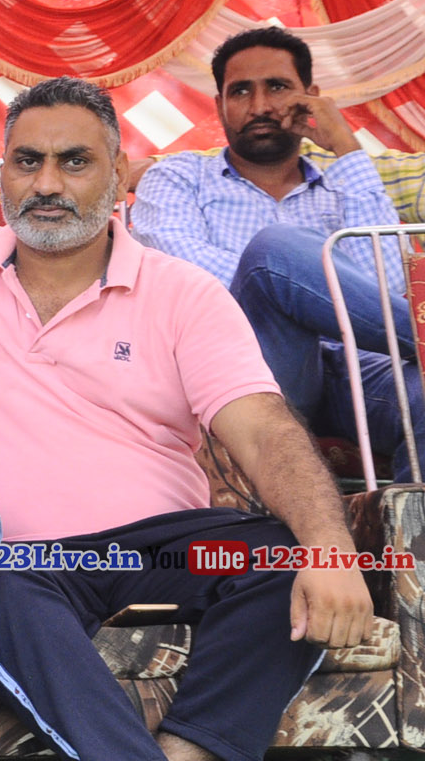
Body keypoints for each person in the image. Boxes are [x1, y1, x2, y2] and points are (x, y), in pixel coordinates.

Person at [0, 76, 374, 761]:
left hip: (158, 544)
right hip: (20, 560)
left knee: (285, 556)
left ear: (119, 173)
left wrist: (330, 545)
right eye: (27, 161)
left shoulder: (181, 292)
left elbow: (263, 429)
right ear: (1, 171)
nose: (47, 183)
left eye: (74, 161)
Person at [132, 26, 424, 474]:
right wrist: (283, 277)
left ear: (312, 98)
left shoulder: (346, 182)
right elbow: (186, 275)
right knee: (273, 251)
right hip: (247, 374)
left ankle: (407, 523)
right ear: (220, 105)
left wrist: (346, 148)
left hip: (357, 369)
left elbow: (384, 282)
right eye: (241, 91)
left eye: (278, 87)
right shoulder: (178, 177)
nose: (260, 106)